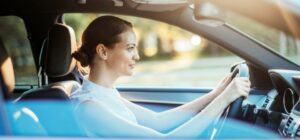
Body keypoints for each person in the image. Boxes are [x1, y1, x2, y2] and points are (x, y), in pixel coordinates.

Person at [70, 15, 251, 138]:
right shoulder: (90, 107)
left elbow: (159, 121)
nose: (137, 56)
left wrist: (217, 94)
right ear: (103, 51)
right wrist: (224, 100)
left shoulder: (105, 94)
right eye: (130, 48)